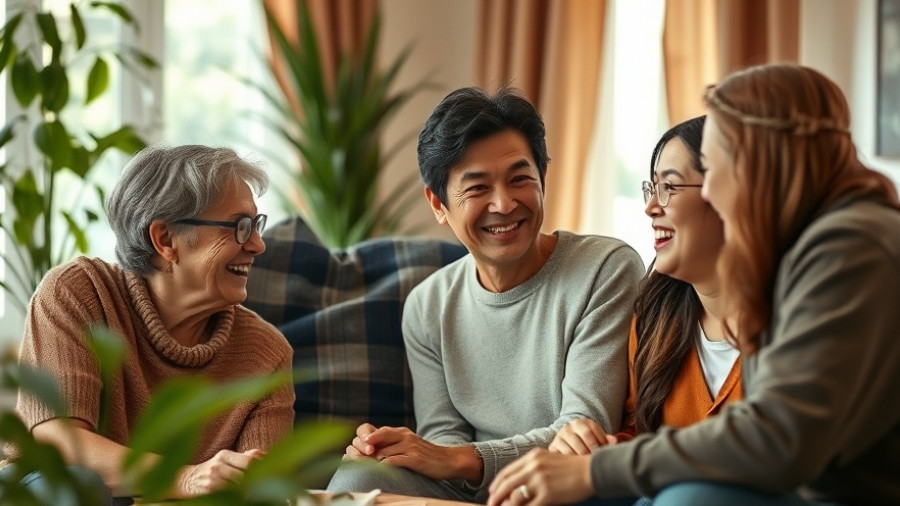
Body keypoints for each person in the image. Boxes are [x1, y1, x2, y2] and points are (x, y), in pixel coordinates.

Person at [488, 64, 900, 505]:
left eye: (716, 170)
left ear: (758, 164)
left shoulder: (851, 245)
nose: (714, 195)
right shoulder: (807, 252)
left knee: (686, 498)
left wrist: (598, 468)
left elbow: (780, 438)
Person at [326, 87, 644, 502]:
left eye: (520, 179)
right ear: (438, 204)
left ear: (543, 182)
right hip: (475, 496)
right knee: (356, 478)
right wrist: (397, 453)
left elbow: (583, 430)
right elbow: (443, 440)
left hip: (565, 489)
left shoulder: (605, 267)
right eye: (477, 188)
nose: (504, 203)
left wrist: (457, 459)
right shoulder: (427, 306)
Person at [0, 145, 295, 504]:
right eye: (239, 227)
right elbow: (61, 446)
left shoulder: (268, 354)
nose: (258, 244)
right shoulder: (78, 293)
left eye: (256, 225)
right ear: (165, 240)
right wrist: (185, 478)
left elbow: (261, 491)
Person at [548, 116, 742, 492]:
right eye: (651, 188)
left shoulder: (797, 320)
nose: (651, 207)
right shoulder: (654, 316)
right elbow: (640, 433)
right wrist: (594, 449)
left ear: (727, 195)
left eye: (669, 186)